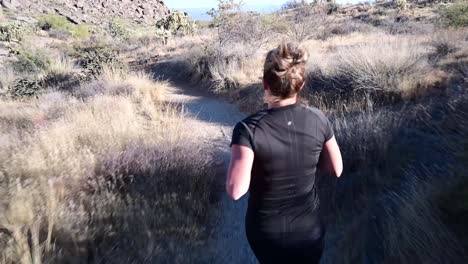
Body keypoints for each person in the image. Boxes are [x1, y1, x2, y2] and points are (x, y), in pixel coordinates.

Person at [226, 42, 343, 264]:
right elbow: (336, 169)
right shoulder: (319, 119)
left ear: (265, 84)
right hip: (310, 231)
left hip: (267, 234)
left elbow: (235, 190)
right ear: (301, 84)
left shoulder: (248, 129)